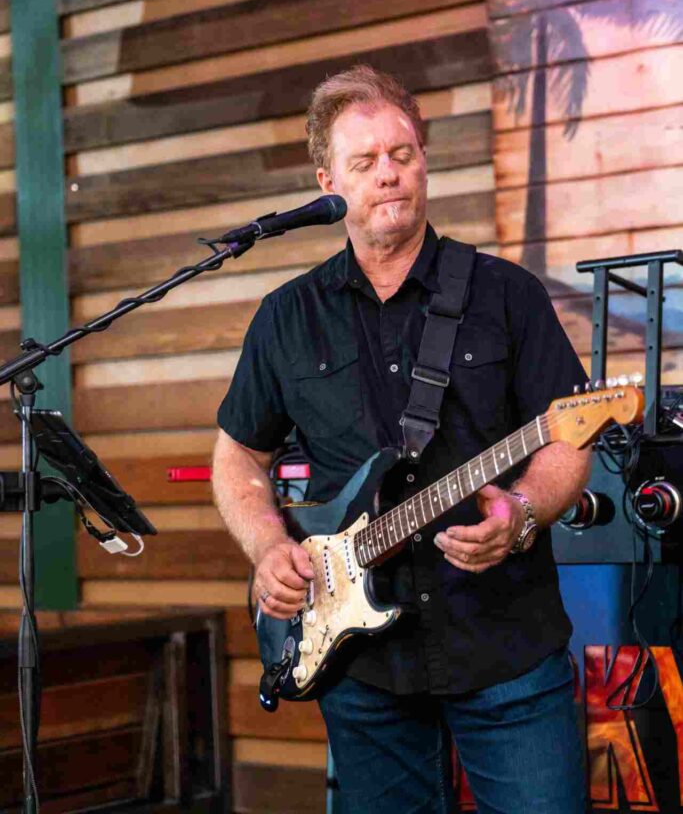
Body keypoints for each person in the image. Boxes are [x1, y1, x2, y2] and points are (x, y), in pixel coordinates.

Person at [213, 65, 591, 814]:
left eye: (403, 155)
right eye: (364, 162)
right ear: (327, 181)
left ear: (423, 161)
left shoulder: (503, 294)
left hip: (504, 647)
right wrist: (267, 548)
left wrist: (519, 513)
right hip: (363, 667)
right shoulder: (287, 317)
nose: (388, 175)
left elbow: (567, 435)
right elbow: (238, 454)